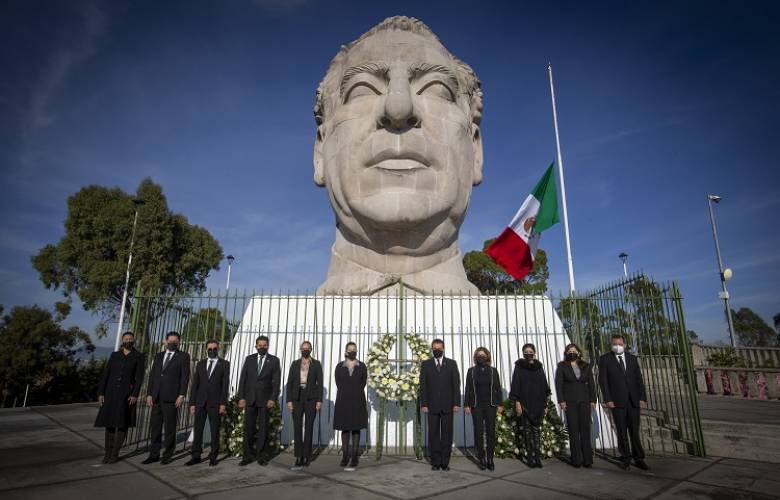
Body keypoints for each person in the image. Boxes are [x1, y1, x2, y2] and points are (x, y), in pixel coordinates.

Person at [598, 334, 649, 470]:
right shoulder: (605, 359)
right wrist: (608, 399)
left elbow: (639, 379)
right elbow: (603, 381)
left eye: (620, 344)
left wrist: (642, 398)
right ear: (611, 345)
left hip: (633, 401)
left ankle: (638, 458)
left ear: (625, 345)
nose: (617, 346)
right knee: (621, 431)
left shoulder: (632, 359)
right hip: (616, 401)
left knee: (634, 431)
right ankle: (625, 457)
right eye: (615, 344)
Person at [95, 331, 144, 464]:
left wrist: (134, 394)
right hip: (110, 393)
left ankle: (115, 453)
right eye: (126, 339)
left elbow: (139, 378)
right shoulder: (115, 355)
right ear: (122, 340)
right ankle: (107, 453)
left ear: (133, 341)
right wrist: (101, 393)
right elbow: (106, 374)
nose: (128, 340)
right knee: (109, 424)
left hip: (126, 395)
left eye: (130, 339)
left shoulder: (138, 356)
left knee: (122, 424)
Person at [142, 331, 191, 465]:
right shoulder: (158, 356)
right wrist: (149, 394)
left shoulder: (183, 356)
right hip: (156, 397)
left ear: (179, 343)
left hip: (172, 398)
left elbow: (185, 377)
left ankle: (168, 454)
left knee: (170, 429)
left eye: (175, 342)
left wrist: (181, 395)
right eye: (170, 342)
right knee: (155, 428)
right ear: (165, 341)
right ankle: (154, 454)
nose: (172, 344)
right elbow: (153, 376)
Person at [237, 335, 281, 466]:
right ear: (256, 346)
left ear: (268, 346)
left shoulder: (274, 361)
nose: (262, 347)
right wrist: (241, 397)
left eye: (264, 345)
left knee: (263, 429)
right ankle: (247, 455)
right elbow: (243, 379)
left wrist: (273, 398)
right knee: (248, 428)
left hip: (265, 400)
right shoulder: (249, 359)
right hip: (250, 399)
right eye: (260, 345)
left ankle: (262, 456)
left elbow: (276, 381)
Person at [186, 339, 230, 467]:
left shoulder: (224, 364)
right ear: (206, 350)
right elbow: (195, 385)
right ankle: (196, 456)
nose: (212, 351)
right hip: (200, 402)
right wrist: (192, 403)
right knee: (198, 430)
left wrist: (223, 403)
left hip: (215, 403)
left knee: (214, 430)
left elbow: (224, 386)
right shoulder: (200, 364)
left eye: (215, 349)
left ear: (218, 349)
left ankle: (213, 456)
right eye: (210, 349)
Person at [419, 338, 461, 471]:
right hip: (431, 405)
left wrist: (456, 403)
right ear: (432, 349)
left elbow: (456, 385)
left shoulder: (452, 364)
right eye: (434, 348)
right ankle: (436, 462)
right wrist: (424, 404)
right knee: (434, 434)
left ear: (443, 348)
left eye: (439, 348)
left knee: (447, 435)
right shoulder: (426, 364)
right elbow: (423, 386)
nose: (437, 350)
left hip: (448, 405)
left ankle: (445, 462)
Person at [555, 343, 597, 468]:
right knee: (573, 429)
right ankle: (576, 459)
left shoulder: (586, 366)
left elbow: (591, 384)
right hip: (570, 402)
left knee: (585, 429)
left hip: (584, 401)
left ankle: (587, 459)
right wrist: (561, 401)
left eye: (574, 350)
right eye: (569, 351)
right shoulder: (562, 366)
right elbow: (559, 384)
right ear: (566, 353)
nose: (571, 352)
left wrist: (593, 400)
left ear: (579, 353)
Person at [509, 343, 550, 468]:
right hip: (525, 403)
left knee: (536, 431)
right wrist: (517, 403)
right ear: (523, 353)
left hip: (537, 403)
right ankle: (530, 458)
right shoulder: (519, 366)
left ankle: (537, 458)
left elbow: (544, 385)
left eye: (530, 351)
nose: (528, 353)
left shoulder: (538, 367)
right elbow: (516, 384)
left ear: (534, 352)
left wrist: (545, 404)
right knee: (527, 432)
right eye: (526, 351)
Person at [464, 347, 503, 471]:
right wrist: (466, 405)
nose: (481, 357)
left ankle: (490, 458)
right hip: (476, 406)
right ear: (476, 357)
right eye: (479, 355)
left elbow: (498, 388)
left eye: (483, 355)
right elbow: (467, 389)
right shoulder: (471, 371)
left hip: (491, 405)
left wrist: (500, 404)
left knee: (491, 432)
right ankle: (481, 458)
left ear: (487, 357)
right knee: (478, 433)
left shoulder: (493, 371)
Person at [286, 341, 323, 469]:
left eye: (307, 348)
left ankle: (307, 456)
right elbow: (289, 382)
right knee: (297, 426)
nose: (305, 350)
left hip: (311, 398)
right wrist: (289, 400)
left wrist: (319, 401)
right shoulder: (295, 364)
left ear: (311, 349)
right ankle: (298, 456)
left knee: (309, 427)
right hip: (296, 397)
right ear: (300, 349)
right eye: (303, 348)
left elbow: (320, 383)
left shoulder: (316, 364)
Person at [333, 341, 368, 471]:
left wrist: (354, 390)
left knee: (356, 428)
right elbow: (338, 382)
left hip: (357, 400)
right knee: (345, 428)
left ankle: (354, 456)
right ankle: (345, 456)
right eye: (350, 350)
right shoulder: (339, 366)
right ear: (346, 351)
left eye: (355, 350)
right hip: (343, 400)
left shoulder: (362, 366)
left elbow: (363, 382)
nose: (353, 352)